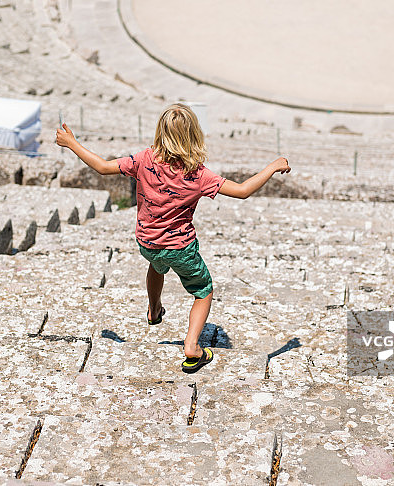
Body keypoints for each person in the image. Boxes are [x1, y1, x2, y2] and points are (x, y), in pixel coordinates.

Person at [55, 103, 290, 373]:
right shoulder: (199, 174)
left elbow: (102, 167)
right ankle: (192, 346)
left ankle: (154, 310)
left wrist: (72, 143)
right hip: (181, 248)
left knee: (156, 265)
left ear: (160, 133)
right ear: (193, 135)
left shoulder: (144, 159)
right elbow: (242, 190)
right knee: (204, 291)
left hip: (147, 243)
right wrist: (272, 167)